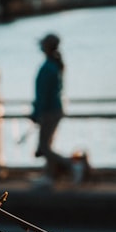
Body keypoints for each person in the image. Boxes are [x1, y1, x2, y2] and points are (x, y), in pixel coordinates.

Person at [30, 33, 83, 186]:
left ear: (46, 47)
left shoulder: (48, 67)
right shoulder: (54, 64)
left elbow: (43, 95)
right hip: (54, 109)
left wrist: (37, 113)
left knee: (44, 147)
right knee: (47, 145)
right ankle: (50, 177)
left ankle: (73, 165)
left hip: (49, 111)